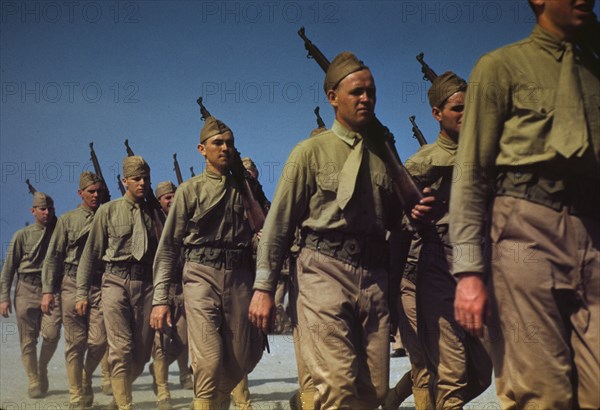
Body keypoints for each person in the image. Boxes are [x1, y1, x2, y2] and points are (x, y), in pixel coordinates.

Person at [248, 51, 435, 409]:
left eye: (371, 92)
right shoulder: (309, 152)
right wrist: (263, 288)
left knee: (373, 393)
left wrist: (417, 212)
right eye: (356, 92)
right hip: (322, 272)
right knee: (337, 387)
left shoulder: (385, 156)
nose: (366, 98)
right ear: (332, 97)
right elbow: (278, 224)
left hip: (375, 279)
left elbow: (397, 223)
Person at [451, 1, 599, 408]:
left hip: (594, 237)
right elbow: (471, 172)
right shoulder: (501, 67)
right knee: (541, 394)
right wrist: (468, 271)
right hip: (525, 232)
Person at [151, 117, 263, 410]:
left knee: (241, 359)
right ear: (202, 149)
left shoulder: (245, 190)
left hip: (239, 277)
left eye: (229, 144)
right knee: (209, 362)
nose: (224, 148)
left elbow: (260, 236)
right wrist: (160, 300)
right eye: (217, 143)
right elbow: (168, 249)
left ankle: (212, 402)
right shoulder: (189, 191)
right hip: (200, 277)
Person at [402, 72, 493, 409]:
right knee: (451, 373)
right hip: (437, 265)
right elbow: (392, 218)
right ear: (437, 114)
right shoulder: (420, 163)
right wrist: (414, 214)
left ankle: (398, 397)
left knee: (483, 372)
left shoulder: (488, 156)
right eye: (458, 109)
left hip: (481, 266)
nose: (467, 115)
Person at [77, 156, 158, 410]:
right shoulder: (108, 210)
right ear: (125, 181)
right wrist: (81, 293)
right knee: (121, 349)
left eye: (145, 178)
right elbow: (90, 255)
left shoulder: (155, 214)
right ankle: (126, 405)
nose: (142, 183)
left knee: (142, 353)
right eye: (136, 179)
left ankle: (118, 397)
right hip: (114, 282)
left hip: (146, 285)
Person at [41, 171, 108, 409]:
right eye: (91, 192)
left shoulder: (107, 215)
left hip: (99, 284)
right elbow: (53, 257)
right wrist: (48, 291)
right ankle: (76, 394)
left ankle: (85, 375)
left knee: (100, 341)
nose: (96, 196)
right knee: (75, 342)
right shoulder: (68, 221)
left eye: (99, 191)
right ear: (80, 193)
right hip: (70, 284)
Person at [0, 191, 62, 398]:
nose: (46, 212)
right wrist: (3, 298)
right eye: (42, 209)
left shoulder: (59, 231)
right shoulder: (22, 235)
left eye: (50, 209)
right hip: (25, 288)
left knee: (52, 333)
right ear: (32, 211)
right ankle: (34, 379)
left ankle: (41, 367)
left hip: (51, 290)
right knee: (28, 340)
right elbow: (8, 269)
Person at [148, 180, 193, 410]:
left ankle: (159, 369)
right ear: (160, 202)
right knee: (161, 343)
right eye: (168, 198)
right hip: (162, 290)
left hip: (184, 290)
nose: (172, 200)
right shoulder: (152, 225)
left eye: (175, 196)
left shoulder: (187, 222)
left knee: (184, 341)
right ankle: (163, 389)